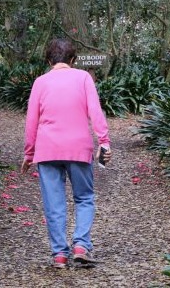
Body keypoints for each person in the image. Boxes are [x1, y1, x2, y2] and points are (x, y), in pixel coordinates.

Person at [21, 38, 112, 269]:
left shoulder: (40, 82)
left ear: (49, 60)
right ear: (72, 60)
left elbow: (32, 120)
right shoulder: (83, 78)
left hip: (47, 149)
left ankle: (59, 255)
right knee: (84, 198)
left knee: (54, 203)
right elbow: (95, 111)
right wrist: (104, 141)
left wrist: (29, 154)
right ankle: (81, 246)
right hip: (79, 147)